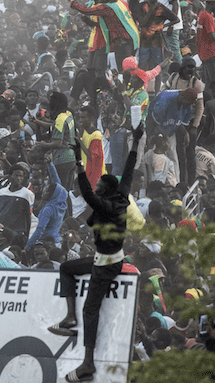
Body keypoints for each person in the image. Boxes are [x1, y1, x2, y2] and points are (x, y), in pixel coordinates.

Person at [48, 126, 143, 381]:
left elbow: (87, 193)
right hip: (108, 259)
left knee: (91, 310)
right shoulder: (121, 196)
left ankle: (87, 364)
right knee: (67, 268)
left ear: (103, 191)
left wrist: (79, 163)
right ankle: (69, 318)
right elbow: (129, 170)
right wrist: (135, 141)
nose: (96, 185)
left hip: (106, 266)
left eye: (99, 184)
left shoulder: (105, 204)